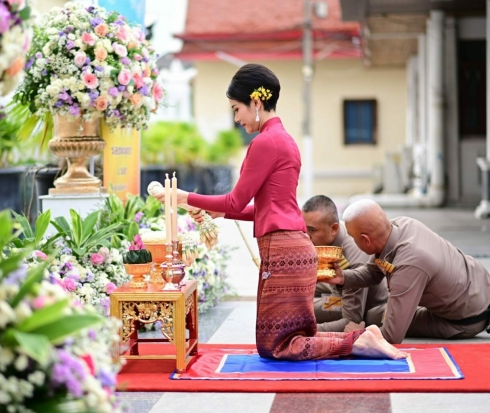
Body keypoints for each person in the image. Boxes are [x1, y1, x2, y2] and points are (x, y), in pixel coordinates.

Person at [153, 64, 406, 360]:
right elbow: (267, 208)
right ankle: (364, 336)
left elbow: (235, 201)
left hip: (283, 254)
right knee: (289, 339)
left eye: (237, 109)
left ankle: (358, 342)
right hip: (294, 250)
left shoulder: (264, 143)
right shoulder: (286, 140)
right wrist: (220, 213)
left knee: (276, 346)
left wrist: (182, 196)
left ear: (256, 103)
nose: (236, 118)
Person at [326, 199, 490, 344]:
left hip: (464, 320)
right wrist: (343, 278)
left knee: (372, 322)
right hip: (478, 291)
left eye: (353, 238)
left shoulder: (409, 264)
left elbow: (391, 336)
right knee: (374, 316)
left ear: (366, 240)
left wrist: (356, 335)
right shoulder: (400, 225)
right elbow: (372, 272)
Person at [301, 195, 388, 332]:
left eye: (312, 230)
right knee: (291, 301)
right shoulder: (327, 237)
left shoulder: (353, 254)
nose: (305, 236)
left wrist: (302, 331)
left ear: (334, 229)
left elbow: (351, 320)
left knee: (299, 309)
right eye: (303, 228)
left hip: (357, 306)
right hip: (337, 292)